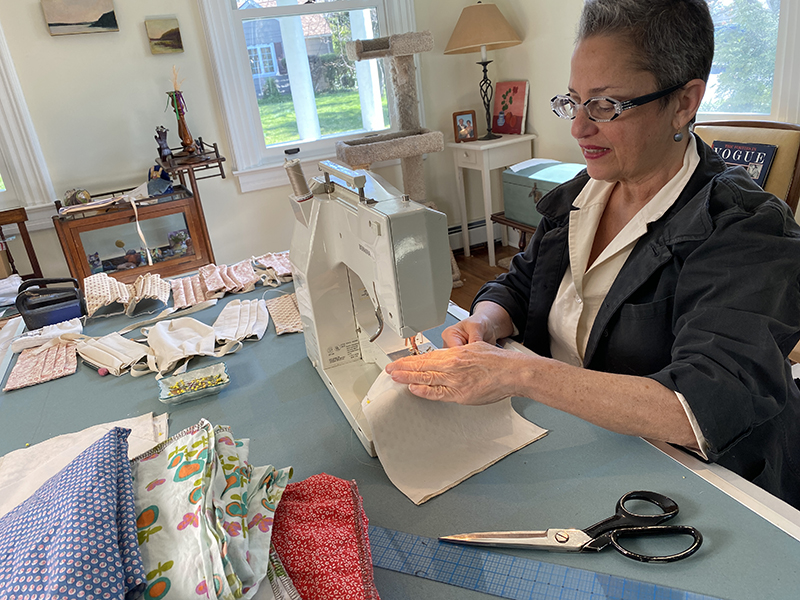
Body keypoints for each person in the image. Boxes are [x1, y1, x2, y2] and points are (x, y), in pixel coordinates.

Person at [386, 0, 800, 508]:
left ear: (684, 102)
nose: (578, 129)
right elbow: (518, 285)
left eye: (605, 106)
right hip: (573, 439)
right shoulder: (585, 192)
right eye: (573, 101)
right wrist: (486, 323)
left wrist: (518, 373)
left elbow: (700, 406)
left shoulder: (748, 231)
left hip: (696, 485)